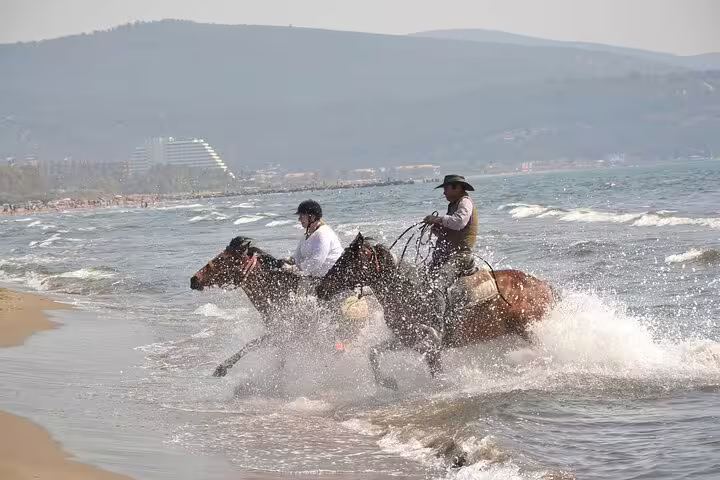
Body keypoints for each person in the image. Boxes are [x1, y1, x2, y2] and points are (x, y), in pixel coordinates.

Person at [421, 174, 478, 345]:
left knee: (436, 285)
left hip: (461, 256)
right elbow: (452, 229)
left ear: (458, 188)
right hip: (447, 256)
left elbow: (459, 222)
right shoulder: (452, 205)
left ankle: (437, 330)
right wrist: (436, 228)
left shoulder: (465, 202)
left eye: (446, 188)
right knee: (421, 281)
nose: (444, 192)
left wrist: (437, 219)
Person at [289, 200, 344, 277]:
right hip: (318, 277)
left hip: (333, 277)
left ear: (312, 217)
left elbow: (316, 261)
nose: (299, 219)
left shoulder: (323, 234)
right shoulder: (306, 235)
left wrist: (295, 268)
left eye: (302, 216)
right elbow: (297, 257)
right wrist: (286, 263)